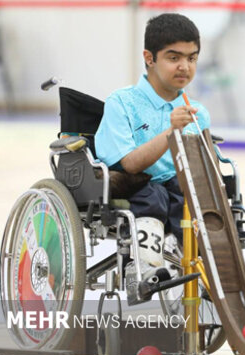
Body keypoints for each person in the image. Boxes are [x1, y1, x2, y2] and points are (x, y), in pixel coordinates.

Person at [95, 13, 210, 252]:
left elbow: (206, 169)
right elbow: (130, 164)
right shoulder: (122, 103)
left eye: (192, 58)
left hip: (180, 191)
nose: (184, 67)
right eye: (174, 58)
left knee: (192, 196)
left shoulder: (198, 112)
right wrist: (172, 131)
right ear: (149, 58)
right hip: (135, 187)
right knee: (155, 196)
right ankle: (145, 265)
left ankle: (198, 260)